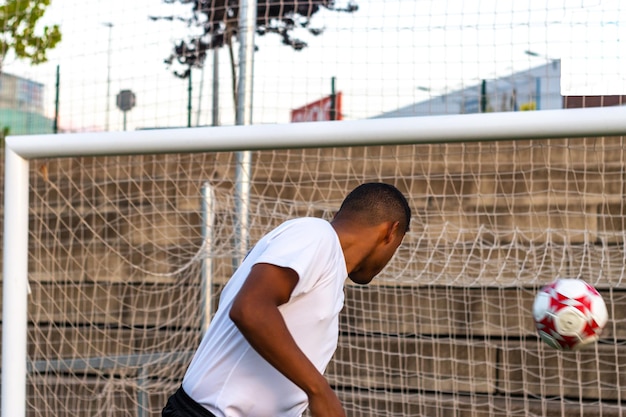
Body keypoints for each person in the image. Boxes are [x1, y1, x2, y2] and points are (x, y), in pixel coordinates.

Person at [162, 182, 411, 417]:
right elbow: (249, 309)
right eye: (397, 246)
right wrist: (320, 390)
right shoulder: (316, 235)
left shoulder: (329, 271)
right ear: (390, 231)